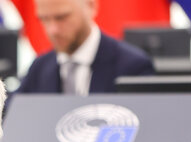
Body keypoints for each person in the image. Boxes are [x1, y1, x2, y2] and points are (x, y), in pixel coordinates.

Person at [16, 0, 154, 94]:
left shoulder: (133, 67)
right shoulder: (39, 69)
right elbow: (10, 115)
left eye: (62, 17)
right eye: (44, 19)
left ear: (91, 6)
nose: (52, 30)